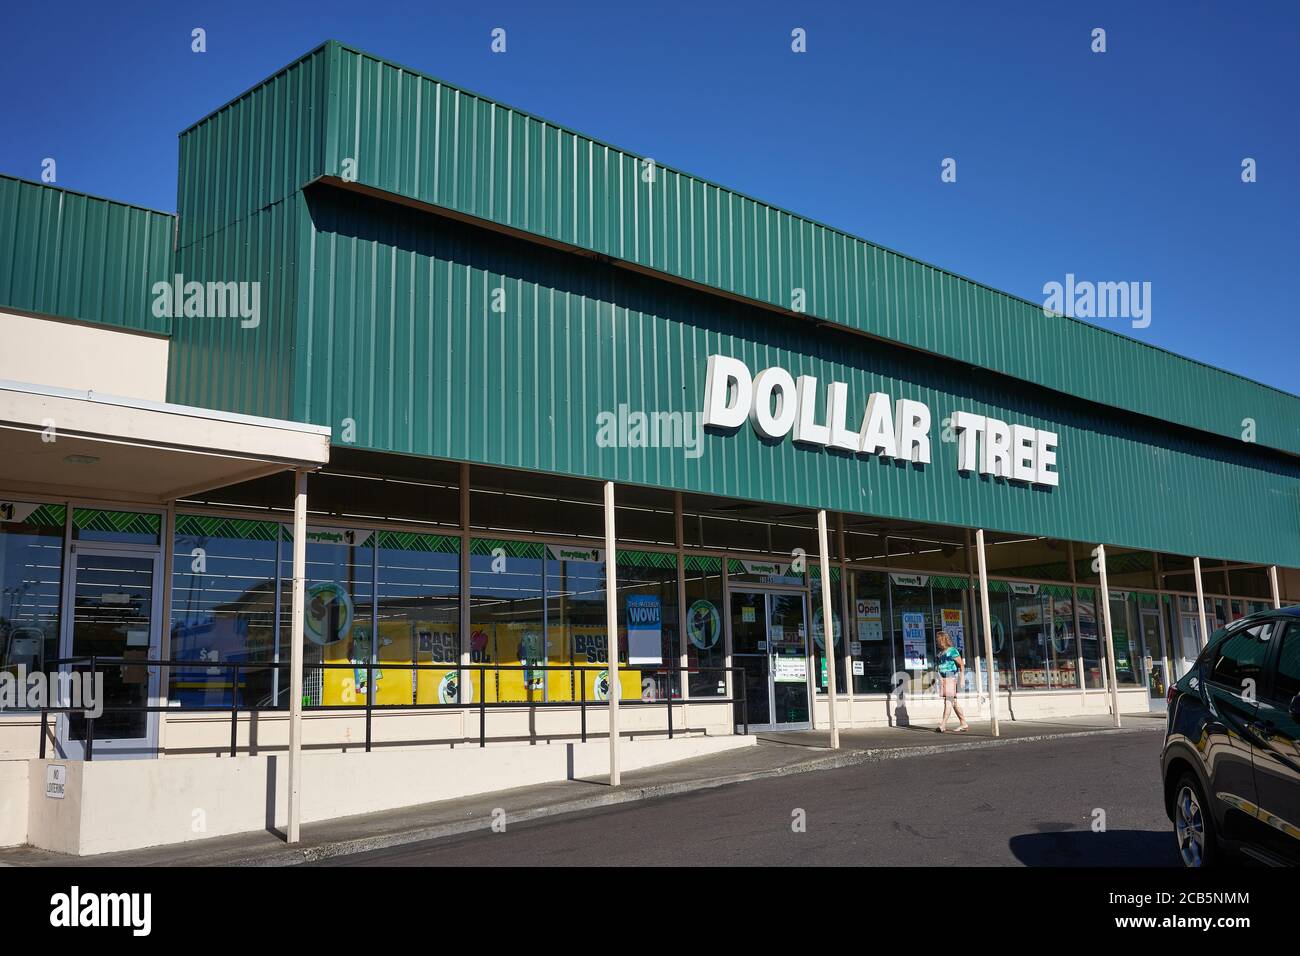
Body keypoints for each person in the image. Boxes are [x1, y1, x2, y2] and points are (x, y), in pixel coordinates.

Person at [934, 629, 969, 733]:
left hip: (950, 677)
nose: (937, 642)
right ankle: (963, 723)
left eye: (938, 640)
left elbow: (961, 665)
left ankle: (943, 724)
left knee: (948, 702)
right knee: (953, 702)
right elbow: (939, 667)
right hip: (943, 678)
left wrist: (962, 679)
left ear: (942, 640)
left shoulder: (952, 650)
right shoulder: (940, 653)